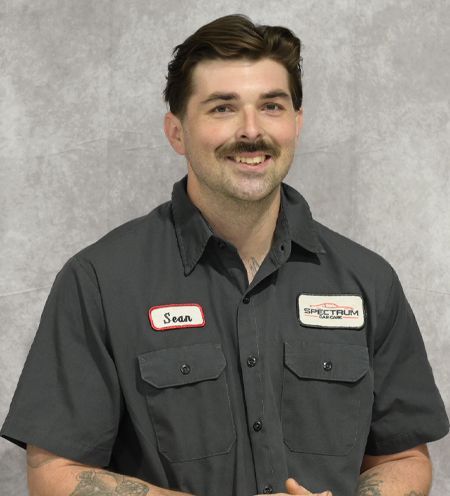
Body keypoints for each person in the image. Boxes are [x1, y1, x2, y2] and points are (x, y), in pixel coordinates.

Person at [1, 13, 448, 496]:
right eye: (222, 108)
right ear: (177, 132)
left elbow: (404, 457)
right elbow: (54, 473)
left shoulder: (369, 280)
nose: (251, 131)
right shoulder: (100, 281)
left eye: (272, 106)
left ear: (297, 123)